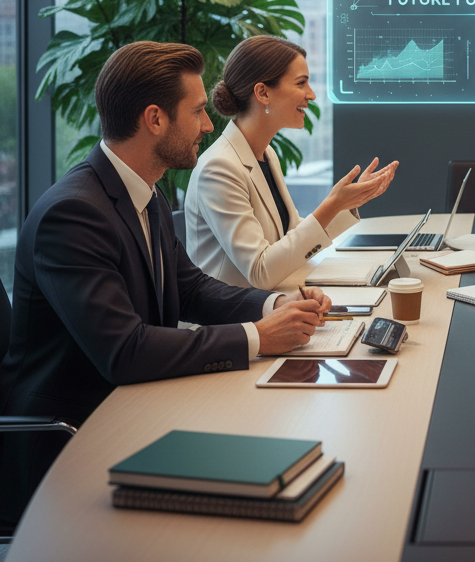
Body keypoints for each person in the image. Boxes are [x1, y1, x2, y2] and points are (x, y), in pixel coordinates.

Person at [0, 42, 333, 525]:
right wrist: (261, 337)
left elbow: (193, 288)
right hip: (68, 440)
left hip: (136, 411)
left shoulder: (145, 192)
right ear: (154, 119)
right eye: (197, 111)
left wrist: (275, 305)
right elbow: (125, 351)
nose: (207, 124)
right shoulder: (72, 214)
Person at [186, 36, 398, 289]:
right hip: (231, 322)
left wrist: (347, 204)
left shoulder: (267, 154)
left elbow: (293, 238)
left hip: (273, 305)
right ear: (263, 93)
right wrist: (332, 204)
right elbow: (260, 271)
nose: (312, 95)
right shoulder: (219, 168)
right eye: (301, 83)